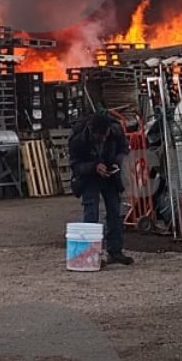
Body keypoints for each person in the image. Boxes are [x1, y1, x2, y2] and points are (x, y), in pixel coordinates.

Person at [68, 107, 133, 266]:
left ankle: (115, 251)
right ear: (91, 131)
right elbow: (75, 165)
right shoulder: (78, 140)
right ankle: (91, 254)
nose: (102, 139)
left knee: (115, 212)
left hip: (110, 176)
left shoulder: (116, 132)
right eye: (99, 136)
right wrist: (94, 167)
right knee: (91, 212)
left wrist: (115, 165)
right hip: (89, 178)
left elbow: (124, 151)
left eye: (104, 135)